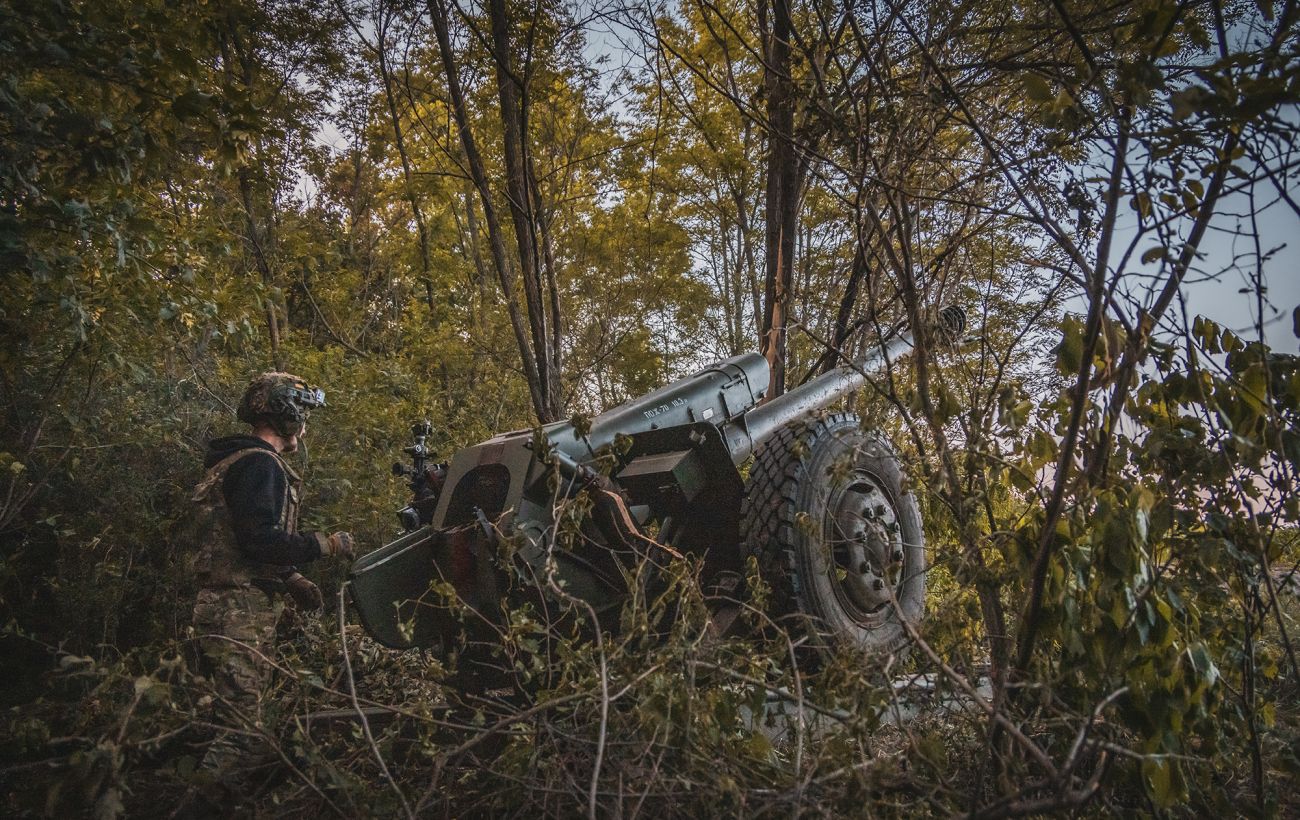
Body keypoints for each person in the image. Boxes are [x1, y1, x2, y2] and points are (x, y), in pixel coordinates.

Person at [184, 372, 354, 804]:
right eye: (304, 415)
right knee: (242, 731)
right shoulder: (260, 464)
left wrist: (290, 576)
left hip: (217, 604)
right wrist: (323, 544)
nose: (306, 426)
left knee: (220, 720)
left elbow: (237, 539)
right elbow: (258, 538)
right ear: (288, 413)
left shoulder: (237, 460)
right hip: (237, 609)